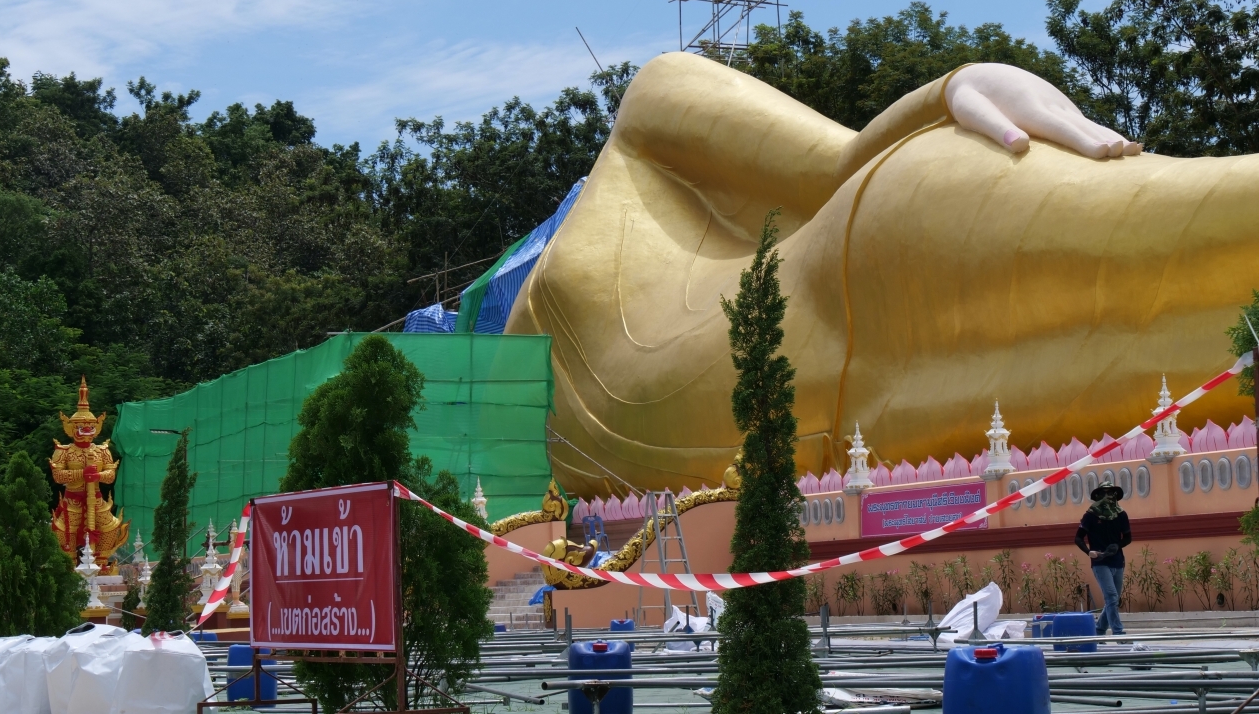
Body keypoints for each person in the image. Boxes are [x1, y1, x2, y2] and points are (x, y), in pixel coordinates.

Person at [507, 52, 1259, 498]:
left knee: (1202, 248)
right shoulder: (517, 394)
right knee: (1188, 349)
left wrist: (957, 83)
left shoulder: (649, 120)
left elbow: (837, 163)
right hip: (867, 408)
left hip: (878, 262)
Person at [1075, 482, 1132, 635]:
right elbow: (1078, 538)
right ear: (1099, 496)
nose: (1109, 496)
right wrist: (1089, 552)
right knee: (1112, 596)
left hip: (1118, 561)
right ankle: (1118, 633)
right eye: (1105, 493)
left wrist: (1118, 545)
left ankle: (1099, 630)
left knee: (1113, 600)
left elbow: (1128, 538)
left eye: (1111, 492)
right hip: (1100, 562)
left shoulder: (1121, 514)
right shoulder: (1090, 516)